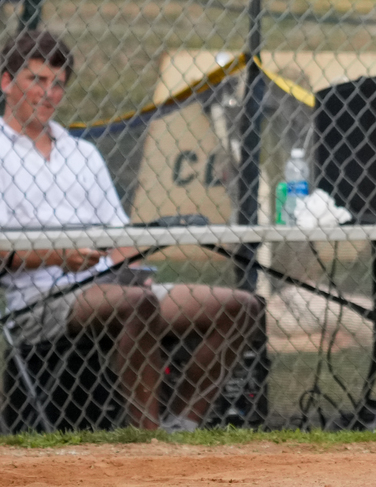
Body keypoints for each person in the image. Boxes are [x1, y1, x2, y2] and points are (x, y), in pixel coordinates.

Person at [0, 30, 262, 431]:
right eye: (36, 80)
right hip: (39, 301)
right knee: (138, 306)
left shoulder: (83, 153)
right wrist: (60, 257)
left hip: (112, 289)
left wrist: (138, 263)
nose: (48, 94)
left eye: (58, 85)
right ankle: (147, 435)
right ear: (6, 80)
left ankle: (183, 425)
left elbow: (121, 240)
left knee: (242, 307)